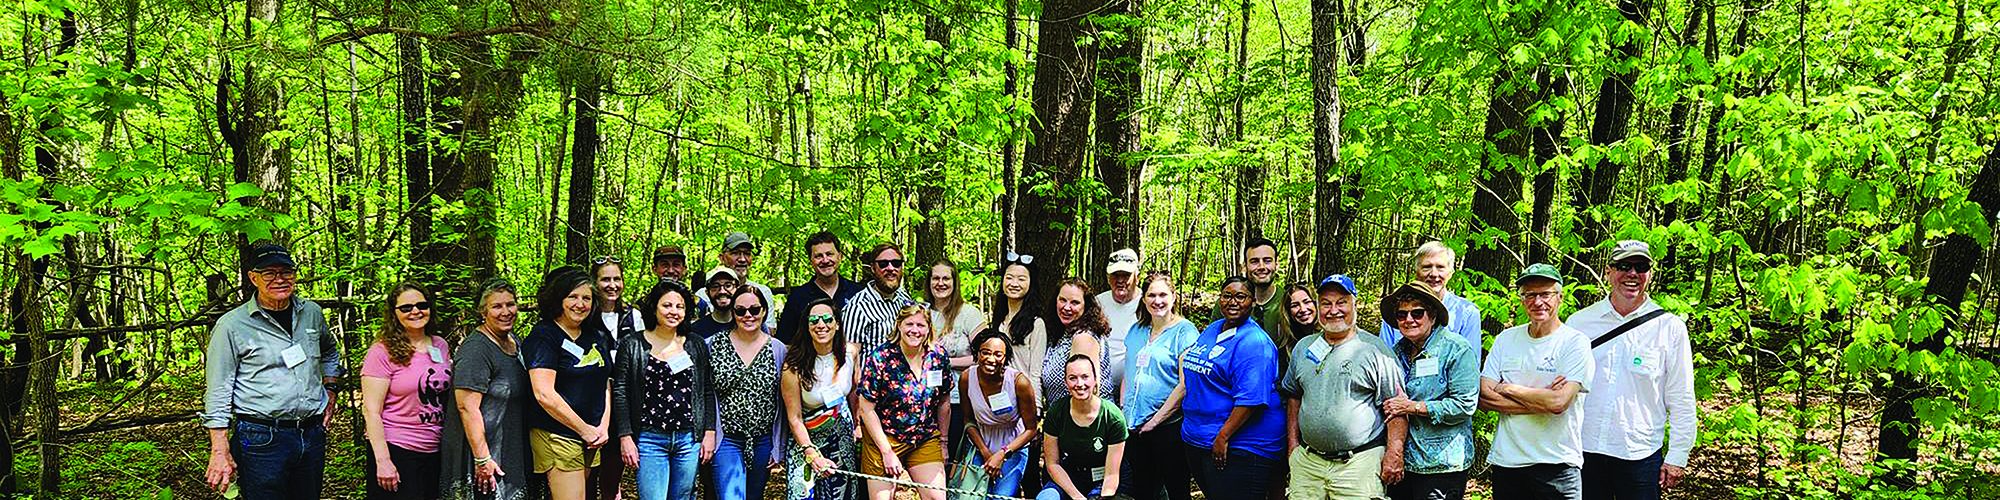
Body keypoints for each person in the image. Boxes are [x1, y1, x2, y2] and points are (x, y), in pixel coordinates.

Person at [202, 241, 341, 499]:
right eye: (269, 273)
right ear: (253, 278)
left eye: (286, 272)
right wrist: (219, 450)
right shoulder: (231, 326)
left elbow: (330, 351)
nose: (279, 279)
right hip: (261, 438)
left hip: (311, 434)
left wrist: (331, 388)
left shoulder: (311, 313)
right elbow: (219, 388)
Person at [1571, 241, 1696, 500]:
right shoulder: (1579, 323)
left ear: (1650, 274)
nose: (1632, 274)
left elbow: (1682, 397)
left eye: (1641, 267)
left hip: (1640, 454)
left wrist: (1677, 456)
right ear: (1608, 271)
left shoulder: (1669, 328)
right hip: (1584, 449)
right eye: (1624, 266)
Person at [1280, 274, 1408, 500]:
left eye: (1341, 302)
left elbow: (1396, 407)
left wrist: (1394, 453)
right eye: (1326, 303)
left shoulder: (1376, 351)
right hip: (1308, 464)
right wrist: (1293, 446)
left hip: (1359, 464)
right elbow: (1294, 396)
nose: (1333, 310)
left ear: (1354, 304)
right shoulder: (1304, 348)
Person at [1482, 264, 1593, 500]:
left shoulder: (1575, 342)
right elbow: (1484, 396)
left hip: (1557, 465)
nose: (1537, 302)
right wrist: (1543, 400)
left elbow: (1559, 402)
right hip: (1508, 463)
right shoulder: (1506, 339)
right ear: (1522, 300)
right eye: (1530, 295)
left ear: (1560, 297)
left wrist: (1508, 388)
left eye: (1545, 294)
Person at [1180, 277, 1286, 500]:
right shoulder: (1213, 328)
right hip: (1200, 437)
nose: (1233, 301)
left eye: (1241, 296)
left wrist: (1223, 437)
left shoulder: (1255, 343)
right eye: (1227, 295)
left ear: (1252, 302)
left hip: (1240, 444)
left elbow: (1251, 400)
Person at [614, 281, 718, 500]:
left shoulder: (695, 344)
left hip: (688, 438)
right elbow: (621, 392)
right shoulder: (632, 344)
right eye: (667, 305)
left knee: (683, 496)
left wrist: (709, 432)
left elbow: (707, 390)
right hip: (650, 438)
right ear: (654, 308)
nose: (674, 311)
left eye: (680, 307)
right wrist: (625, 436)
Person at [1379, 282, 1479, 500]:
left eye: (1417, 313)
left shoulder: (1456, 349)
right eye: (1402, 314)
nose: (1409, 319)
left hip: (1442, 465)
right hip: (1404, 462)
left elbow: (1465, 405)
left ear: (1432, 316)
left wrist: (1413, 407)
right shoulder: (1396, 352)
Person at [523, 267, 615, 500]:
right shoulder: (544, 336)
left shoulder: (596, 336)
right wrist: (584, 430)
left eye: (586, 298)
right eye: (573, 297)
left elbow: (605, 382)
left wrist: (602, 427)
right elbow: (543, 393)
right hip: (558, 433)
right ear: (559, 299)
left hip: (592, 434)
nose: (580, 304)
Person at [363, 283, 453, 500]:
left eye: (422, 305)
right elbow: (371, 411)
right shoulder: (381, 351)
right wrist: (383, 461)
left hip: (435, 448)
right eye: (406, 308)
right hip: (398, 448)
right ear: (394, 313)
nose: (415, 311)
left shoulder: (440, 345)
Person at [444, 280, 531, 500]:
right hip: (484, 454)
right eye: (497, 306)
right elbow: (466, 407)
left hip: (509, 446)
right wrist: (482, 458)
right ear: (483, 312)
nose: (506, 312)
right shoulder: (476, 349)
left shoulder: (513, 341)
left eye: (510, 304)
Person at [856, 306, 953, 500]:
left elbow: (944, 401)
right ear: (899, 325)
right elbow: (866, 409)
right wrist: (887, 452)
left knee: (936, 497)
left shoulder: (937, 356)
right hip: (884, 437)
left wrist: (943, 442)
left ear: (929, 328)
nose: (914, 330)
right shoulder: (880, 358)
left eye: (921, 325)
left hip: (923, 436)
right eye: (909, 324)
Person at [1118, 272, 1197, 500]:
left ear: (1173, 296)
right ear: (1144, 299)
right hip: (1134, 427)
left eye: (1163, 295)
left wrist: (1154, 422)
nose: (1157, 301)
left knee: (1176, 490)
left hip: (1167, 427)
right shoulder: (1137, 330)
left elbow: (1184, 385)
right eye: (1151, 295)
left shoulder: (1185, 332)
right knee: (1143, 489)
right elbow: (1128, 373)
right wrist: (1123, 411)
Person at [706, 287, 789, 500]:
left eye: (754, 309)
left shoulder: (778, 349)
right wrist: (707, 434)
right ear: (733, 313)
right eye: (740, 310)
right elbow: (704, 392)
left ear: (764, 311)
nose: (748, 315)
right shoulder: (714, 345)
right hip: (726, 438)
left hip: (763, 439)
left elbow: (784, 402)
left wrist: (778, 446)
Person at [781, 298, 861, 500]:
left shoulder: (851, 353)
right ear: (807, 326)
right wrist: (811, 453)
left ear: (837, 324)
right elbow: (794, 418)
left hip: (841, 438)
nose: (821, 325)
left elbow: (854, 391)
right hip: (805, 440)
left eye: (827, 319)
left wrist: (857, 424)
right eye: (814, 320)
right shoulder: (793, 366)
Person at [959, 330, 1039, 499]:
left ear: (1005, 358)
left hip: (1013, 446)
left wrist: (1002, 453)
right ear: (977, 353)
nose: (991, 359)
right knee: (971, 497)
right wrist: (985, 452)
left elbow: (1031, 429)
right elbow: (968, 420)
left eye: (998, 354)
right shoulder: (966, 378)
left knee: (1002, 497)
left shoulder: (1019, 383)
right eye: (985, 352)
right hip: (980, 444)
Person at [1035, 354, 1128, 500]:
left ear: (1095, 379)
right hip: (1070, 475)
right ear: (1066, 382)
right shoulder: (1056, 412)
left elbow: (1112, 474)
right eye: (1073, 378)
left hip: (1104, 478)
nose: (1079, 384)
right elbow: (1052, 464)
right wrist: (1076, 496)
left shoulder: (1113, 416)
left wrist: (1104, 497)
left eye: (1085, 377)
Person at [1377, 242, 1485, 365]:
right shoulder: (1396, 310)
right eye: (1426, 267)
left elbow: (1470, 365)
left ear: (1451, 272)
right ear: (1416, 271)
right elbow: (1383, 359)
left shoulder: (1467, 312)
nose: (1434, 274)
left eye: (1440, 267)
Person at [591, 257, 643, 500]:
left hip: (623, 403)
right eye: (605, 279)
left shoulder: (634, 316)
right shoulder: (585, 315)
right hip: (591, 404)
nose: (612, 285)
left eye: (617, 279)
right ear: (594, 282)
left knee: (612, 475)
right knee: (588, 474)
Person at [926, 258, 987, 459]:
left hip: (959, 399)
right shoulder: (922, 312)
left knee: (954, 457)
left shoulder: (969, 314)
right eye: (935, 278)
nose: (940, 283)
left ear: (954, 282)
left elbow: (984, 356)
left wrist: (946, 362)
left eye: (946, 278)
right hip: (925, 400)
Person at [777, 231, 866, 346]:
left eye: (829, 254)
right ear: (811, 261)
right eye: (818, 256)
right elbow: (785, 342)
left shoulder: (858, 293)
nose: (825, 260)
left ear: (840, 256)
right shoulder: (798, 297)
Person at [843, 243, 924, 351]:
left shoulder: (904, 298)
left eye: (896, 263)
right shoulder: (858, 307)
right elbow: (850, 356)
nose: (890, 268)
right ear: (873, 268)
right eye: (883, 264)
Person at [1043, 278, 1112, 404]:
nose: (1066, 307)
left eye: (1075, 303)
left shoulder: (1083, 338)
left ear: (1086, 306)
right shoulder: (1062, 334)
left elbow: (1087, 392)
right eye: (1062, 300)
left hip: (1082, 414)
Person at [993, 252, 1051, 384]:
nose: (1014, 284)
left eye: (1021, 279)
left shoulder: (1036, 324)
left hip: (1022, 392)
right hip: (998, 392)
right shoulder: (1000, 319)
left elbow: (1036, 374)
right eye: (1009, 278)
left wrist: (1034, 398)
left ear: (1031, 283)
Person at [1094, 249, 1143, 393]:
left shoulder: (1148, 303)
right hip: (1100, 387)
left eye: (1126, 275)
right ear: (1108, 278)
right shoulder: (1098, 303)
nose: (1120, 280)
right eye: (1115, 275)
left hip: (1135, 387)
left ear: (1137, 277)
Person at [698, 232, 778, 317]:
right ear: (722, 258)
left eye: (747, 253)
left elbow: (769, 325)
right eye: (735, 253)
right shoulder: (703, 296)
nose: (742, 259)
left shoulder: (763, 292)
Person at [1239, 237, 1294, 352]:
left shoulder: (1290, 301)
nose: (1261, 267)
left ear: (1276, 265)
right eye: (1254, 261)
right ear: (1244, 266)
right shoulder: (1230, 303)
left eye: (1267, 261)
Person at [690, 267, 742, 340]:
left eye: (728, 286)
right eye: (715, 286)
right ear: (707, 292)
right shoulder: (695, 331)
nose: (722, 291)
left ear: (737, 289)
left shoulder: (747, 325)